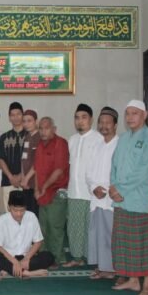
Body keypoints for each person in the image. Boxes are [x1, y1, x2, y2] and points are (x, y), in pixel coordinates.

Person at [109, 99, 148, 295]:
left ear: (145, 115)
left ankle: (147, 285)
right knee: (123, 243)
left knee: (142, 245)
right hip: (121, 200)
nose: (130, 117)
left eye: (135, 113)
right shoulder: (123, 138)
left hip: (139, 201)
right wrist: (113, 188)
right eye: (128, 113)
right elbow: (113, 165)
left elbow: (145, 171)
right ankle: (133, 280)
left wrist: (120, 189)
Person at [65, 104, 104, 268]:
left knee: (92, 228)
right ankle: (77, 257)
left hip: (92, 193)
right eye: (77, 117)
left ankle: (94, 259)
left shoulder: (99, 139)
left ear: (91, 119)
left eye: (84, 117)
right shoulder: (72, 140)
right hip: (74, 191)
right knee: (74, 227)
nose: (80, 121)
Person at [86, 107, 119, 280]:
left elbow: (120, 172)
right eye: (101, 122)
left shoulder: (120, 145)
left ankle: (111, 268)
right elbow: (89, 172)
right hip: (96, 196)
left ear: (115, 125)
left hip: (110, 198)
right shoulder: (96, 145)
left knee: (109, 233)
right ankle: (102, 265)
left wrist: (105, 189)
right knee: (96, 232)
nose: (104, 125)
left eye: (108, 122)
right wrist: (93, 188)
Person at [0, 190, 55, 278]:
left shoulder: (31, 216)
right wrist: (14, 261)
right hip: (8, 257)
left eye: (22, 210)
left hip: (26, 258)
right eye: (15, 210)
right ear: (9, 207)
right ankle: (27, 273)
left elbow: (38, 241)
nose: (19, 214)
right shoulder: (2, 220)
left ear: (26, 208)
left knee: (48, 256)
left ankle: (13, 270)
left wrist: (26, 258)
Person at [33, 117, 69, 266]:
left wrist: (43, 188)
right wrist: (36, 189)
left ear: (54, 129)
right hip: (42, 193)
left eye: (46, 128)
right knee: (44, 227)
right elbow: (37, 169)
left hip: (56, 192)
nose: (43, 131)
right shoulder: (40, 145)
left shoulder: (60, 143)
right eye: (40, 128)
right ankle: (45, 258)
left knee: (55, 227)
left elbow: (59, 171)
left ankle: (58, 258)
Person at [0, 102, 27, 211]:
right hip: (8, 182)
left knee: (26, 214)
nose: (16, 117)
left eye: (18, 114)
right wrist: (11, 177)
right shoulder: (4, 137)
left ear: (23, 115)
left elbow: (34, 160)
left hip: (27, 183)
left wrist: (21, 176)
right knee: (9, 214)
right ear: (9, 118)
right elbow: (1, 159)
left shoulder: (30, 136)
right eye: (12, 115)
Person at [20, 109, 40, 215]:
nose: (26, 124)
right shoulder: (27, 137)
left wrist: (27, 179)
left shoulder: (39, 137)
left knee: (34, 213)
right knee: (27, 213)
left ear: (36, 121)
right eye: (24, 121)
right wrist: (23, 178)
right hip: (26, 183)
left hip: (34, 183)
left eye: (29, 121)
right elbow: (23, 160)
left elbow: (38, 162)